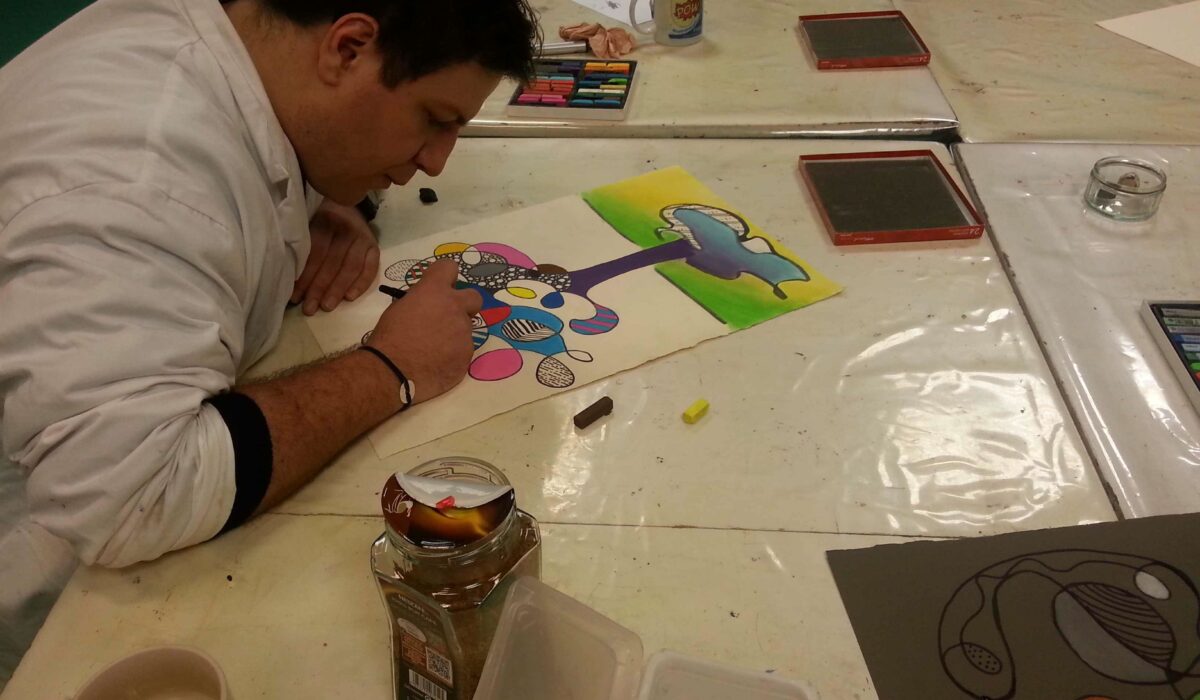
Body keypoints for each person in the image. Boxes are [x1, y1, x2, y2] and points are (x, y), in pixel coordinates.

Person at [0, 0, 539, 684]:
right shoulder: (136, 179)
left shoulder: (241, 43)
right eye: (434, 120)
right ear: (347, 49)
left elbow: (288, 129)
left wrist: (335, 198)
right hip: (59, 598)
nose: (435, 163)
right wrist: (391, 366)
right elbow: (131, 494)